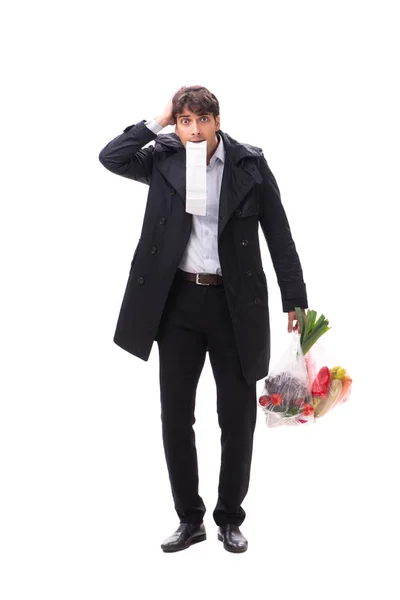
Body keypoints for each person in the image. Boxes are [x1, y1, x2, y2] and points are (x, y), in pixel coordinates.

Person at [98, 85, 308, 553]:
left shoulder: (249, 164)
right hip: (178, 305)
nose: (193, 131)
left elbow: (280, 233)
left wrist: (294, 297)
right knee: (175, 417)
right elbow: (111, 157)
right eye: (184, 121)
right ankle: (189, 519)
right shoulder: (162, 156)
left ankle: (230, 518)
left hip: (236, 305)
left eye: (201, 121)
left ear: (217, 121)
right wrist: (159, 120)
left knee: (236, 418)